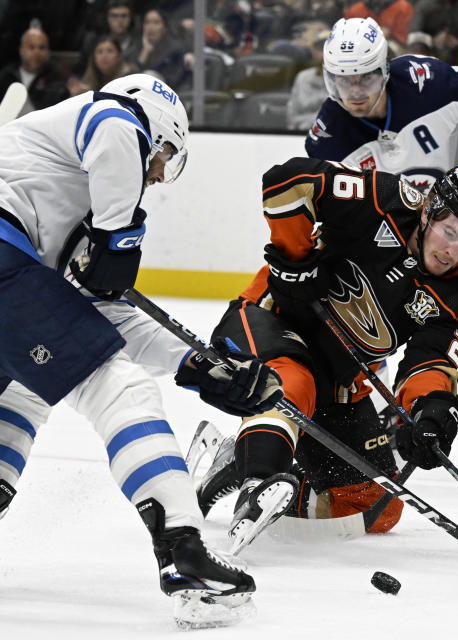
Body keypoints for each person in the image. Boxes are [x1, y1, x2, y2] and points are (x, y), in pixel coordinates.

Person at [0, 73, 284, 627]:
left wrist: (196, 364)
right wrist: (116, 233)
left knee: (29, 390)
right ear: (151, 128)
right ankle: (184, 550)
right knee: (118, 385)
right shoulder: (107, 118)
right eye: (166, 154)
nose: (157, 175)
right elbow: (113, 126)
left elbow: (97, 317)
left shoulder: (57, 192)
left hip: (13, 276)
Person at [194, 161, 458, 548]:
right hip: (270, 321)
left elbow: (430, 363)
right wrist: (295, 258)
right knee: (291, 383)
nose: (453, 250)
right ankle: (258, 481)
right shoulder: (383, 200)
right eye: (449, 231)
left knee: (372, 506)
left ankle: (239, 462)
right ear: (427, 212)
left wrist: (430, 410)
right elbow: (286, 181)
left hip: (338, 378)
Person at [303, 18, 458, 494]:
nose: (353, 91)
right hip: (397, 243)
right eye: (341, 80)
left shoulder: (433, 84)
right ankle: (385, 419)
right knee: (368, 327)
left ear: (385, 69)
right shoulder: (328, 139)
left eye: (365, 77)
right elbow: (331, 211)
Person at [0, 25, 70, 116]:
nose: (37, 52)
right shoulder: (6, 76)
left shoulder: (59, 77)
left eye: (42, 47)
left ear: (48, 51)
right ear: (21, 50)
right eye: (31, 47)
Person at [287, 30, 331, 131]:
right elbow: (292, 114)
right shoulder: (302, 77)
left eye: (329, 48)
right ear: (312, 50)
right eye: (320, 48)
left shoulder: (348, 80)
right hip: (300, 134)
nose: (324, 53)